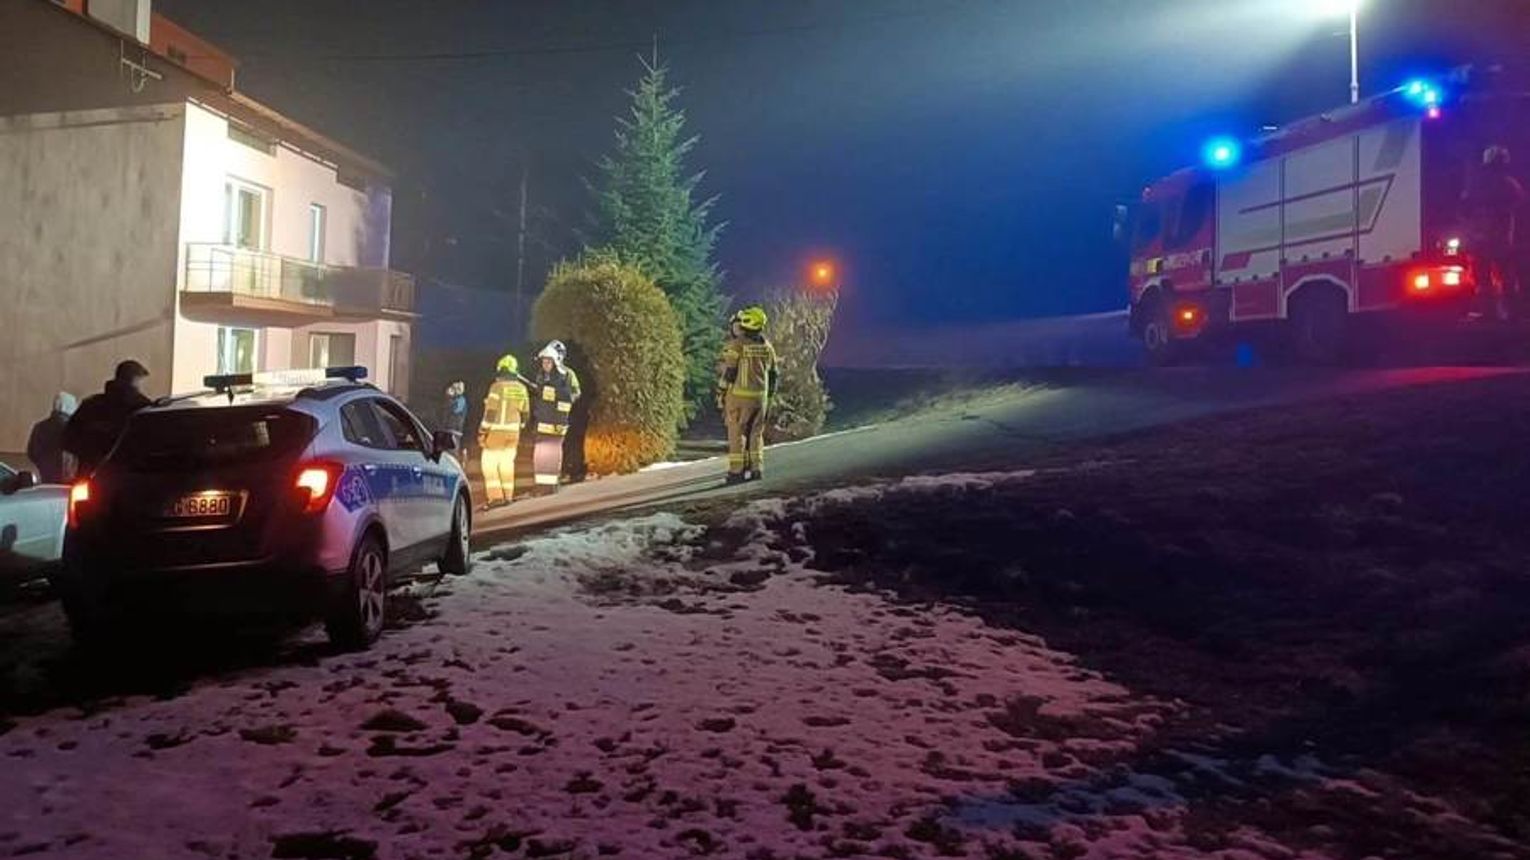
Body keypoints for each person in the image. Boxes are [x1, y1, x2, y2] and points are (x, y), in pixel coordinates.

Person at [716, 306, 779, 484]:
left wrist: (721, 391)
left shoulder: (737, 345)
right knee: (756, 434)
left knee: (736, 433)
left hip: (738, 398)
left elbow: (730, 372)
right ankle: (756, 469)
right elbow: (774, 374)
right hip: (760, 399)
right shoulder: (767, 347)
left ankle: (736, 472)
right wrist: (770, 397)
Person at [1462, 145, 1525, 319]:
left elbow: (1464, 206)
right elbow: (1520, 203)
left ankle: (1489, 312)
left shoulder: (1476, 184)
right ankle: (1511, 312)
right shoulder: (1508, 183)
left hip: (1480, 240)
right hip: (1500, 240)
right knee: (1505, 276)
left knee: (1484, 278)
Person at [63, 360, 151, 476]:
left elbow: (67, 439)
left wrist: (90, 455)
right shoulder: (143, 408)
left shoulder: (91, 405)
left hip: (90, 475)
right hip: (130, 478)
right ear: (135, 380)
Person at [476, 357, 529, 510]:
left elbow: (491, 412)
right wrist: (520, 426)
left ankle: (495, 497)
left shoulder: (497, 387)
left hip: (496, 431)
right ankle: (508, 496)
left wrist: (483, 431)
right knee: (507, 463)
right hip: (514, 432)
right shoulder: (521, 388)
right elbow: (525, 413)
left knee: (489, 464)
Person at [530, 341, 581, 495]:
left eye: (548, 361)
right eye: (544, 361)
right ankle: (540, 485)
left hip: (558, 421)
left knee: (553, 452)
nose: (545, 364)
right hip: (543, 420)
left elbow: (575, 393)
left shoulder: (568, 374)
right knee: (540, 453)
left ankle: (551, 484)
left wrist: (557, 395)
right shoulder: (541, 375)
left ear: (556, 360)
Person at [26, 392, 78, 484]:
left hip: (46, 476)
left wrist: (43, 465)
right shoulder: (74, 429)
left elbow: (32, 452)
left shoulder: (40, 427)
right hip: (69, 479)